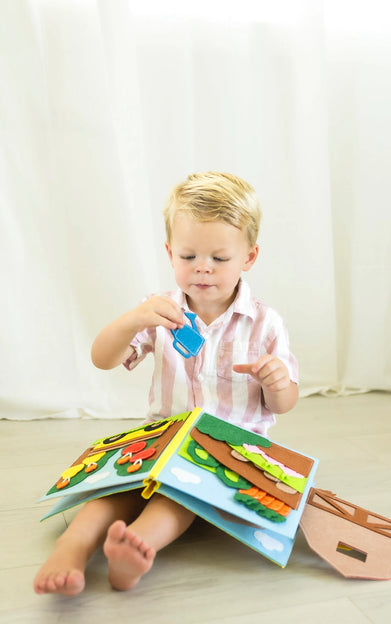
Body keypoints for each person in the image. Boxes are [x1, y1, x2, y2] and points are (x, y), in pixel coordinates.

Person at [33, 171, 299, 596]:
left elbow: (284, 403)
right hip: (162, 437)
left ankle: (139, 548)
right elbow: (103, 360)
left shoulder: (266, 323)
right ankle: (73, 544)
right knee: (117, 487)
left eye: (219, 258)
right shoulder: (158, 311)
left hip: (228, 450)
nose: (203, 268)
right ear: (170, 252)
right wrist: (133, 320)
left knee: (179, 494)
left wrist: (278, 381)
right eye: (189, 256)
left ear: (248, 257)